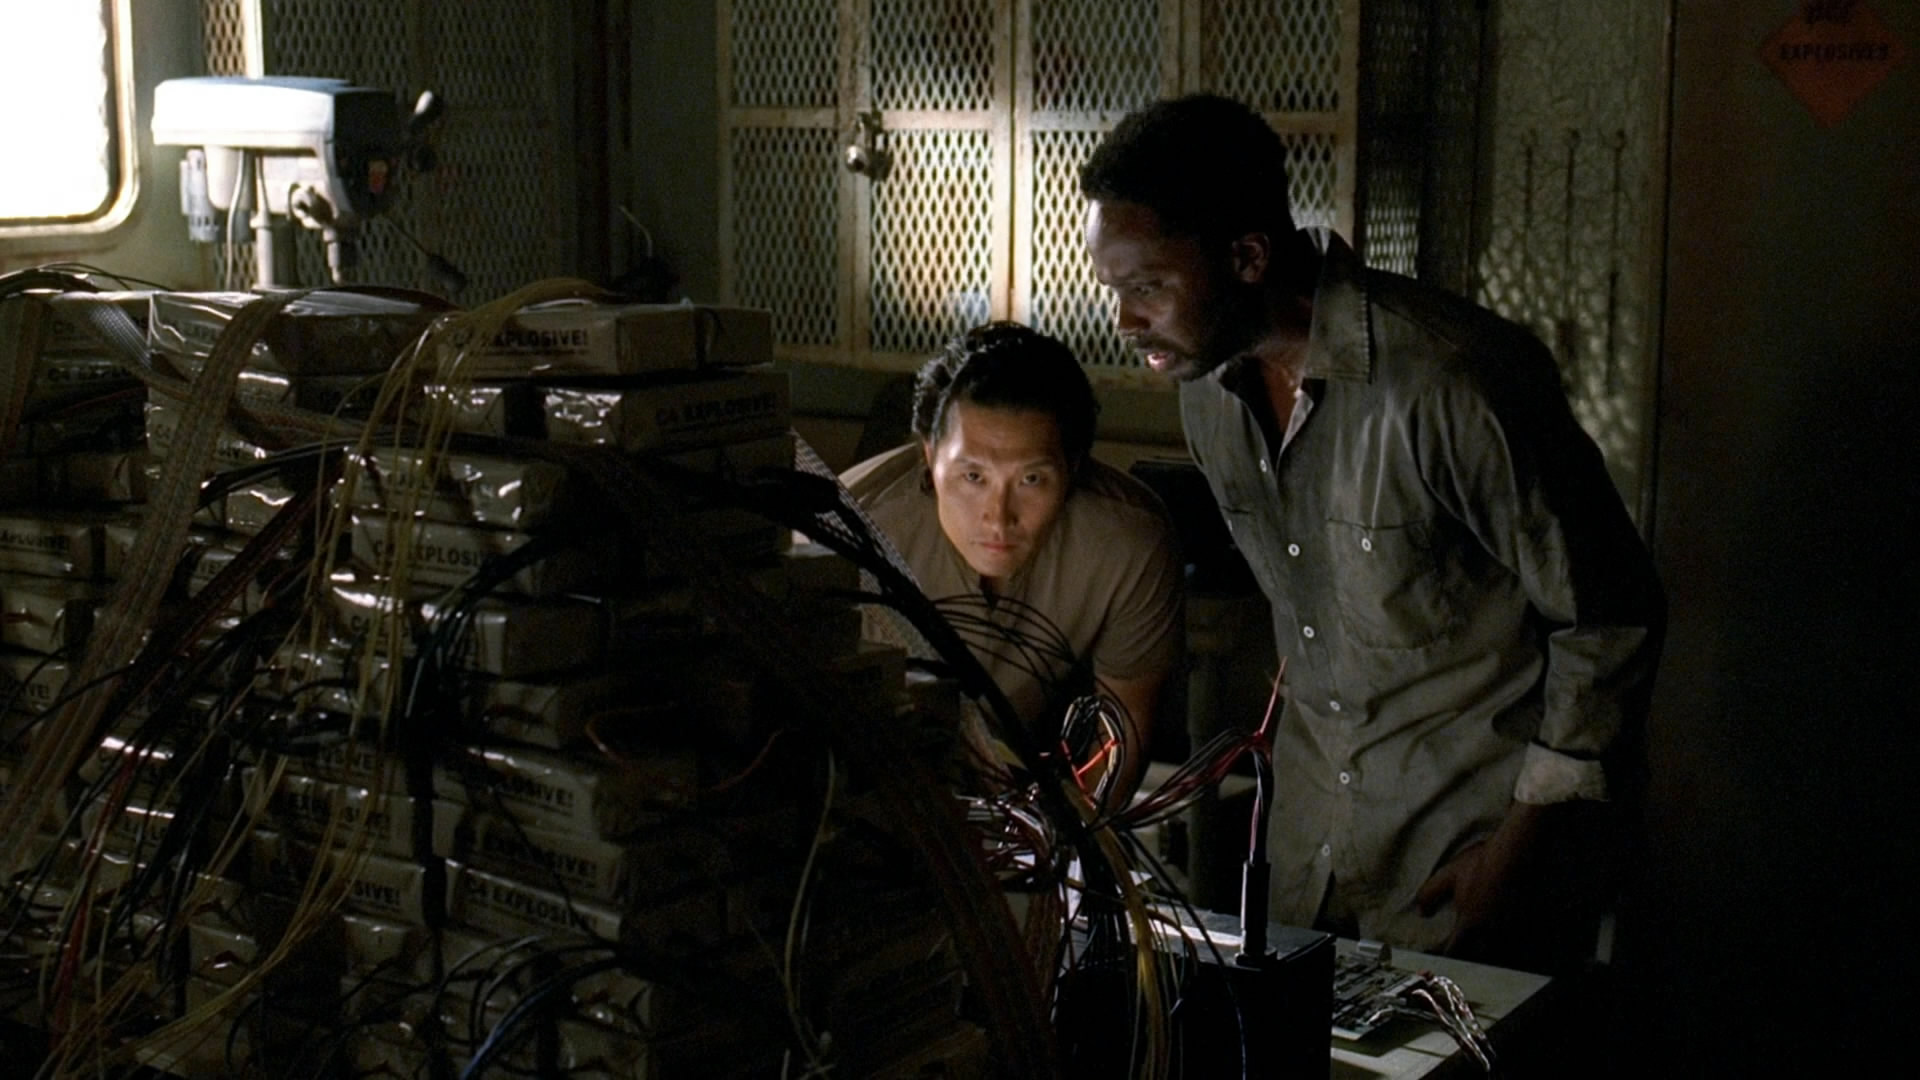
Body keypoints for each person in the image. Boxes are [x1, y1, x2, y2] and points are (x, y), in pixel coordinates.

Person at [1081, 94, 1663, 970]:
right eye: (1115, 292)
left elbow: (1610, 615)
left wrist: (1518, 851)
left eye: (1147, 288)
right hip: (1311, 862)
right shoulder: (1209, 393)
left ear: (1247, 257)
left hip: (1475, 857)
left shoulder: (1452, 379)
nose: (1126, 322)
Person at [840, 322, 1183, 801]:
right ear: (930, 456)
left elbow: (1122, 732)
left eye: (1031, 480)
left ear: (1073, 467)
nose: (998, 517)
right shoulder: (851, 533)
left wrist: (1066, 833)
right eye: (973, 477)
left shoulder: (1127, 540)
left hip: (1037, 781)